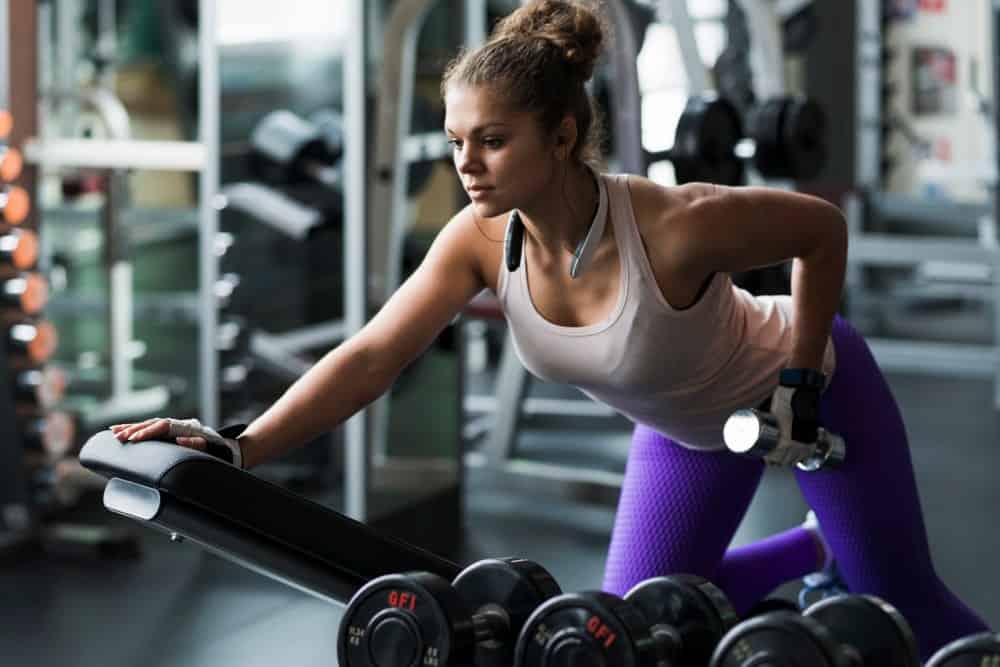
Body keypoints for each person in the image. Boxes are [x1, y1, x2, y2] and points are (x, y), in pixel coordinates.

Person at [111, 0, 989, 658]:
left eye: (491, 140)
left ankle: (868, 570)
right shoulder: (478, 241)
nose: (465, 163)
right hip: (685, 430)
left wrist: (800, 375)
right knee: (627, 627)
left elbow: (818, 232)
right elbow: (374, 354)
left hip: (815, 394)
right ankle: (813, 548)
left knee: (898, 603)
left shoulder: (675, 224)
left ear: (562, 136)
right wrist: (240, 446)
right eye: (456, 140)